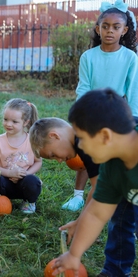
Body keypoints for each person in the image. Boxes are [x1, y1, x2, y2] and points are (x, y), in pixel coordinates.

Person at [30, 117, 137, 276]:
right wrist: (81, 221)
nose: (59, 160)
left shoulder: (87, 141)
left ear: (55, 136)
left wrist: (81, 222)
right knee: (121, 219)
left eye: (53, 154)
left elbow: (97, 194)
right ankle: (115, 272)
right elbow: (98, 192)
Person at [52, 88, 138, 276]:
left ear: (105, 136)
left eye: (81, 138)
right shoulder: (110, 165)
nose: (80, 146)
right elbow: (97, 214)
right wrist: (74, 254)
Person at [62, 0, 138, 212]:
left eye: (115, 27)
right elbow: (84, 87)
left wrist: (132, 121)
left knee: (114, 160)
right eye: (105, 26)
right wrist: (80, 117)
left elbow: (132, 91)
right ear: (98, 29)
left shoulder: (130, 58)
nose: (110, 31)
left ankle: (113, 199)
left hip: (118, 114)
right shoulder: (88, 57)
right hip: (92, 113)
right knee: (86, 155)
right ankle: (78, 196)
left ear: (124, 30)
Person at [0, 98, 42, 214]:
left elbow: (38, 162)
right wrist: (9, 173)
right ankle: (3, 200)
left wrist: (26, 174)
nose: (8, 124)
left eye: (14, 122)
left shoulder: (32, 140)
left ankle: (29, 201)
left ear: (25, 122)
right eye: (6, 119)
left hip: (24, 182)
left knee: (33, 181)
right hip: (6, 182)